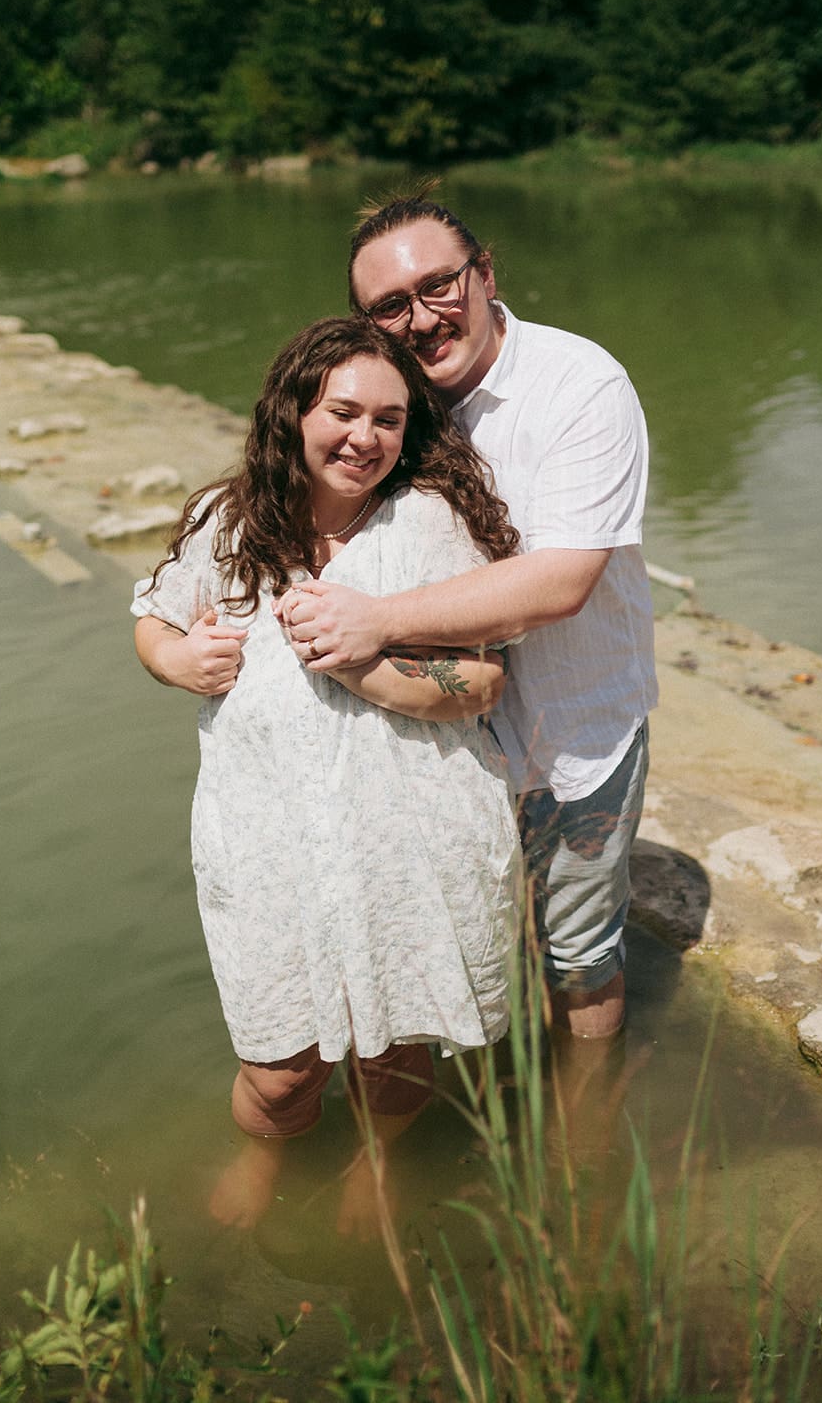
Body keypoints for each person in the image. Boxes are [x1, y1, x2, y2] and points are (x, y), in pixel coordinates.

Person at [132, 316, 522, 1230]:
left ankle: (377, 1171)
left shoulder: (430, 522)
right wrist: (177, 661)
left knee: (393, 1046)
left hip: (406, 838)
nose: (365, 438)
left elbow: (484, 678)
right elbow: (153, 621)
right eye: (343, 411)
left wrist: (370, 666)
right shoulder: (223, 522)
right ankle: (267, 1153)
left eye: (389, 420)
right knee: (279, 1068)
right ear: (293, 411)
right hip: (266, 837)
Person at [280, 191, 658, 1043]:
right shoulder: (389, 403)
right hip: (441, 739)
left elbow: (562, 581)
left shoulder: (580, 385)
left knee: (580, 956)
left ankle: (583, 1141)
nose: (420, 318)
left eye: (439, 286)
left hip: (570, 729)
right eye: (389, 307)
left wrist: (375, 621)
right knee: (474, 942)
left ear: (485, 275)